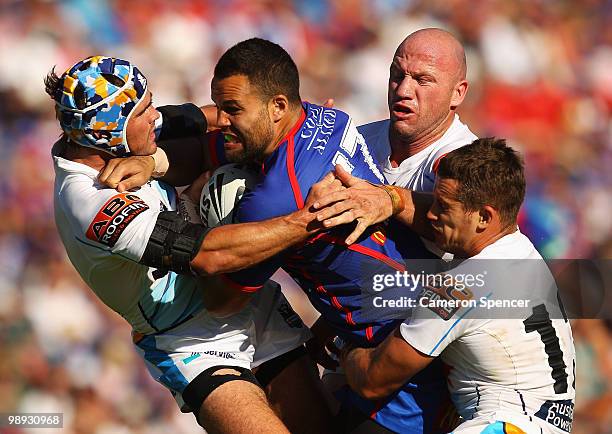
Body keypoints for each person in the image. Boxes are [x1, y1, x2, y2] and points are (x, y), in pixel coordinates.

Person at [46, 55, 342, 433]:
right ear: (107, 131)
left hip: (247, 299)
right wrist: (314, 215)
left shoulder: (118, 134)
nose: (156, 116)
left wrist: (297, 141)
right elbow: (207, 255)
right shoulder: (89, 201)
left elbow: (219, 116)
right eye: (145, 110)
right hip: (189, 340)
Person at [332, 138, 576, 433]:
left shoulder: (463, 285)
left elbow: (374, 380)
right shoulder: (521, 251)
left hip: (502, 423)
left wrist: (344, 347)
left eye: (443, 206)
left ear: (484, 217)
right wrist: (392, 200)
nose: (431, 214)